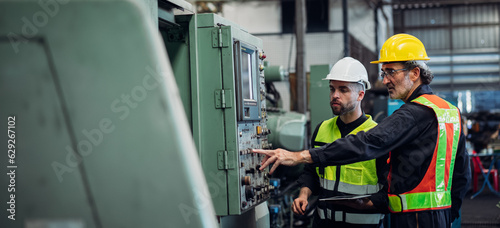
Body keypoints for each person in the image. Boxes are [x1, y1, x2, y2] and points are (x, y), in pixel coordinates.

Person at [254, 34, 470, 228]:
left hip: (412, 220)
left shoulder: (412, 114)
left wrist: (300, 156)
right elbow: (461, 176)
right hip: (439, 217)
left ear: (415, 73)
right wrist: (448, 214)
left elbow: (367, 142)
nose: (385, 80)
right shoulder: (449, 112)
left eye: (391, 72)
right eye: (383, 72)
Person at [293, 57, 388, 227]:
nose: (335, 95)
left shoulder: (377, 136)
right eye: (332, 89)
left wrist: (366, 204)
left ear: (360, 94)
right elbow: (311, 173)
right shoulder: (322, 129)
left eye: (343, 90)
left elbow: (389, 192)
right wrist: (303, 195)